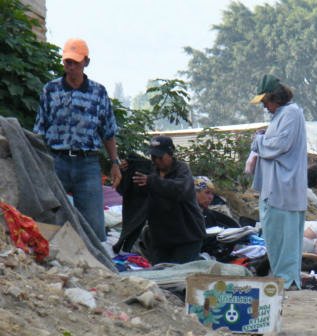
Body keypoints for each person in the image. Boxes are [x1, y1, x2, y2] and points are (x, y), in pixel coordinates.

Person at [34, 38, 121, 242]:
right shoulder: (50, 90)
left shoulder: (98, 92)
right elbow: (39, 129)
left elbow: (108, 131)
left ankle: (95, 266)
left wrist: (115, 162)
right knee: (51, 218)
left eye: (75, 62)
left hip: (87, 163)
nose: (71, 67)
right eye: (67, 62)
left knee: (94, 226)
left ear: (86, 62)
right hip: (56, 160)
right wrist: (38, 161)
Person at [249, 74, 307, 290]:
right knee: (274, 237)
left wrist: (260, 140)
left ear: (276, 98)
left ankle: (288, 280)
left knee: (286, 238)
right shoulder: (280, 116)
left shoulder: (291, 113)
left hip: (284, 186)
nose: (265, 107)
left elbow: (279, 145)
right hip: (273, 188)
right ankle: (282, 277)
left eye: (266, 102)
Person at [131, 136, 205, 264]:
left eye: (160, 157)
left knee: (180, 276)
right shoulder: (150, 171)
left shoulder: (182, 170)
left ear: (170, 154)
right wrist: (127, 168)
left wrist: (152, 181)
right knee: (162, 276)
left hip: (187, 237)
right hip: (161, 239)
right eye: (153, 157)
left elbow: (180, 190)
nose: (156, 161)